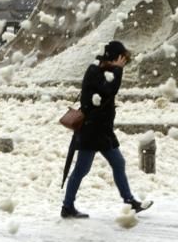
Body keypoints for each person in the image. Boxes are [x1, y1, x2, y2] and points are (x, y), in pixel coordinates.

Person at [61, 40, 152, 218]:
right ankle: (67, 206)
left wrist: (116, 70)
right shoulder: (94, 71)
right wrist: (117, 70)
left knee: (118, 163)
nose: (123, 62)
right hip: (91, 130)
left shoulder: (107, 71)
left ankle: (130, 201)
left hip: (102, 131)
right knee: (81, 169)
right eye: (121, 59)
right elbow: (108, 91)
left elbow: (110, 90)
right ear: (114, 57)